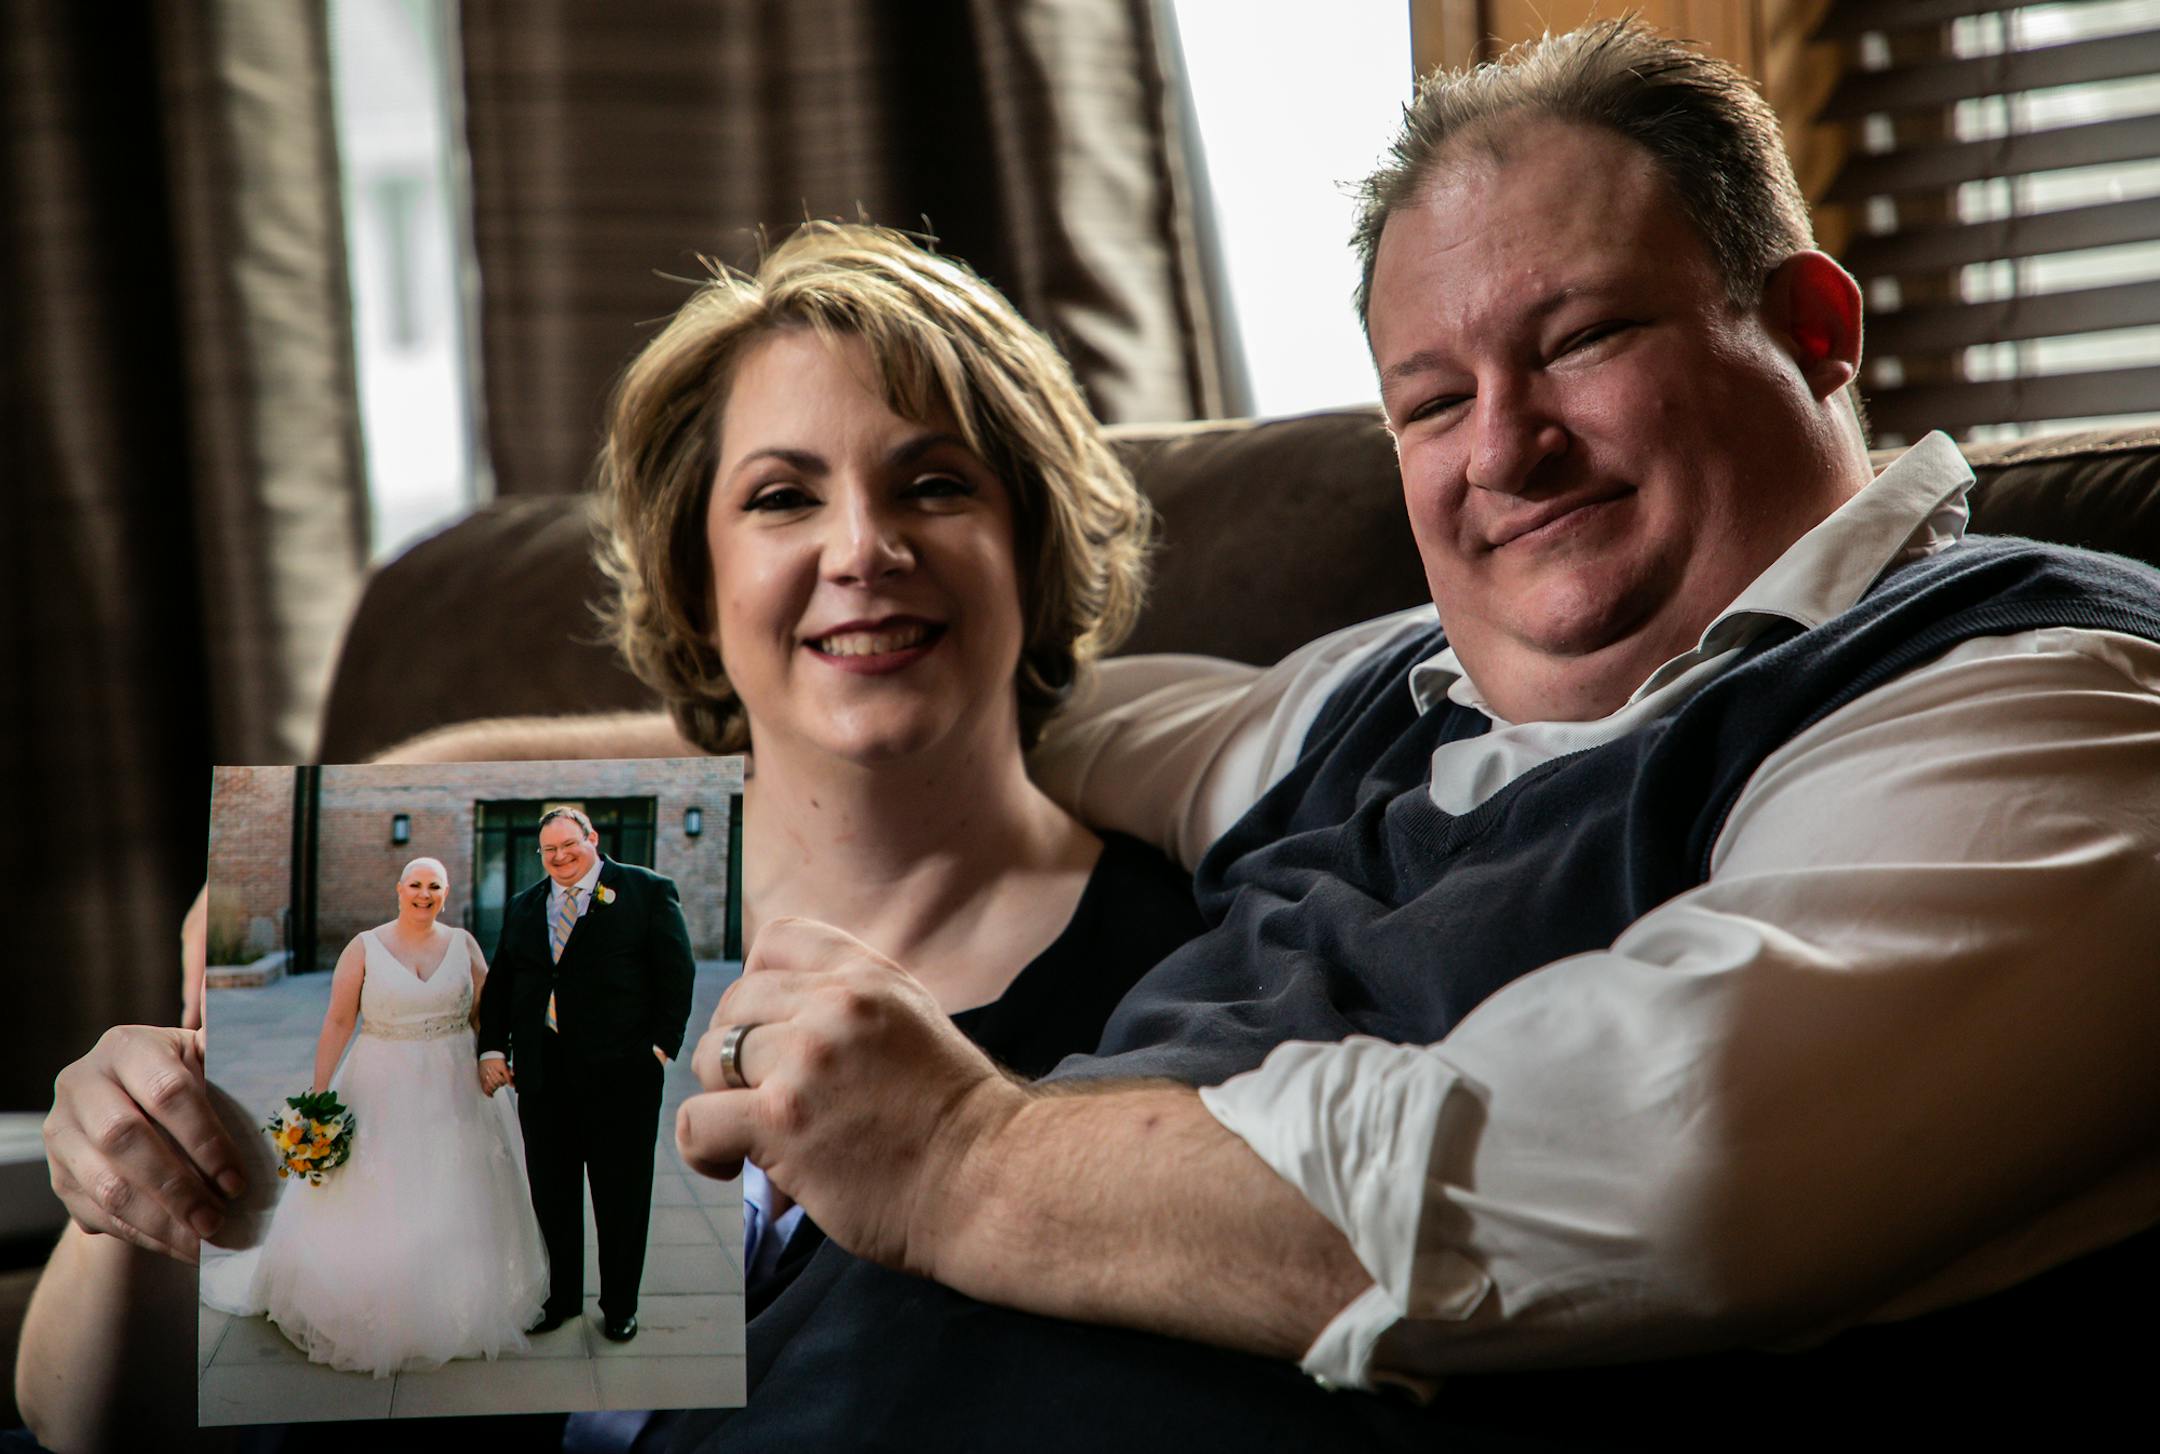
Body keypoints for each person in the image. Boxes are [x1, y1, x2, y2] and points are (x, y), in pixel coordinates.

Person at [642, 21, 2160, 1448]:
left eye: (1581, 338)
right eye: (1433, 401)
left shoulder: (2034, 690)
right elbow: (968, 701)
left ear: (1812, 329)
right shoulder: (1379, 695)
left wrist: (960, 1157)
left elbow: (1675, 1170)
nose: (1504, 446)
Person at [18, 221, 1203, 1450]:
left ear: (1036, 542)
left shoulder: (1188, 972)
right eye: (783, 497)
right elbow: (85, 1421)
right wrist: (133, 1187)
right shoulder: (491, 900)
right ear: (699, 581)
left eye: (936, 484)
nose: (862, 548)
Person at [199, 857, 548, 1377]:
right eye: (416, 885)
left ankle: (452, 1295)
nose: (424, 894)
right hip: (381, 1079)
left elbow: (485, 1013)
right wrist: (318, 1096)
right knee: (382, 1184)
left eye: (434, 886)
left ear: (446, 894)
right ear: (399, 889)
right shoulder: (365, 947)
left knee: (456, 1183)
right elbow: (340, 1021)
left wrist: (494, 1056)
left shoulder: (464, 945)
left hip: (454, 1080)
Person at [476, 805, 695, 1343]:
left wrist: (660, 1049)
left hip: (623, 1076)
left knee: (622, 1194)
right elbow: (503, 983)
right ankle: (561, 1298)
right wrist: (491, 1048)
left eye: (569, 845)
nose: (560, 857)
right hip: (542, 1075)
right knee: (551, 1193)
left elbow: (677, 973)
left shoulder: (646, 890)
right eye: (549, 850)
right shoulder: (525, 905)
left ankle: (620, 1305)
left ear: (592, 838)